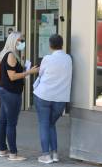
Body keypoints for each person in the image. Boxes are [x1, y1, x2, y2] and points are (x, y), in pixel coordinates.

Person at [0, 32, 39, 161]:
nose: (22, 43)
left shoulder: (7, 53)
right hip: (11, 93)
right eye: (20, 40)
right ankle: (13, 154)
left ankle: (2, 150)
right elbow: (12, 76)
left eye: (23, 40)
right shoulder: (11, 56)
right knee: (11, 123)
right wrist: (29, 72)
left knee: (3, 121)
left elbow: (13, 72)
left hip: (5, 90)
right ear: (13, 41)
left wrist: (24, 68)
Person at [33, 34, 72, 164]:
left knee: (44, 124)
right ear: (62, 44)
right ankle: (55, 154)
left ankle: (46, 155)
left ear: (50, 45)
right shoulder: (68, 59)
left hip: (43, 96)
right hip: (60, 99)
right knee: (51, 124)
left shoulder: (47, 58)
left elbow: (41, 73)